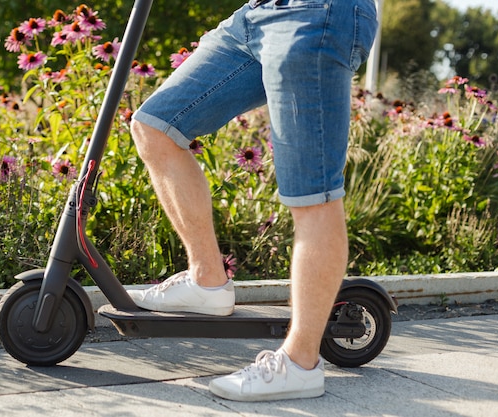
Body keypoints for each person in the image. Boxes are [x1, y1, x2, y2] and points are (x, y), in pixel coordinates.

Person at [127, 0, 378, 402]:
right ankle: (207, 280)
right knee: (154, 126)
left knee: (312, 193)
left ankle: (300, 365)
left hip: (316, 14)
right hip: (255, 15)